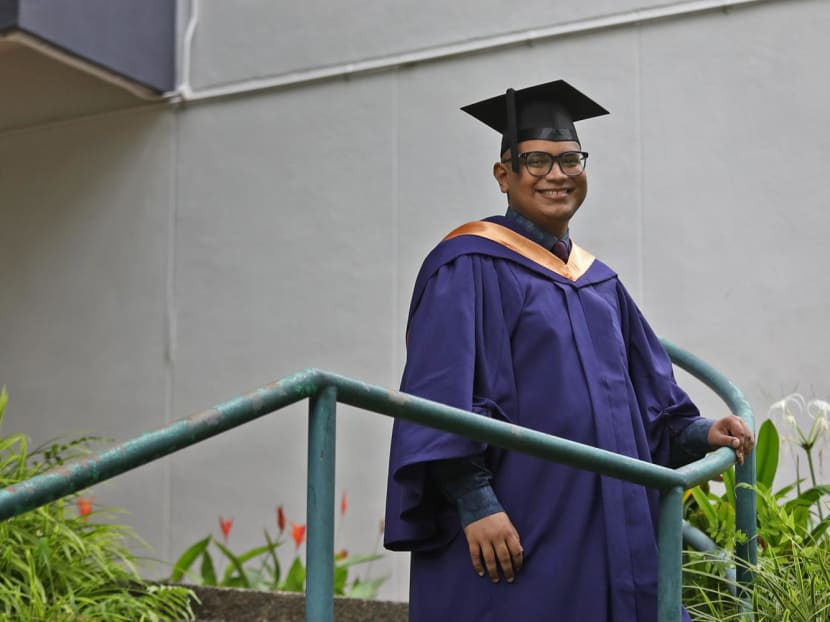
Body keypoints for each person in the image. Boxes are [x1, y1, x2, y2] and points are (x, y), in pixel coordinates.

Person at [383, 79, 755, 622]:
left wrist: (701, 434)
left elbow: (647, 405)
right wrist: (476, 503)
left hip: (613, 527)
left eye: (570, 159)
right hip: (521, 525)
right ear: (503, 175)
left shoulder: (599, 282)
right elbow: (439, 398)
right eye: (536, 160)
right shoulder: (467, 265)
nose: (557, 174)